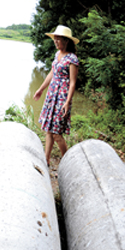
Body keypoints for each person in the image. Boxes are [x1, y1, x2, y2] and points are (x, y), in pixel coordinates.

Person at [33, 25, 79, 167]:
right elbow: (52, 73)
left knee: (57, 133)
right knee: (48, 129)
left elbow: (72, 83)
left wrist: (67, 102)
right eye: (55, 39)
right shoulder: (57, 55)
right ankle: (45, 160)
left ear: (66, 41)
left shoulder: (72, 59)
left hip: (62, 97)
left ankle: (67, 163)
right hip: (52, 95)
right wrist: (40, 89)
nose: (56, 42)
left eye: (59, 39)